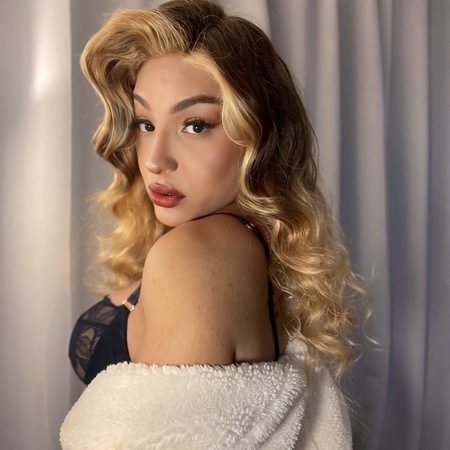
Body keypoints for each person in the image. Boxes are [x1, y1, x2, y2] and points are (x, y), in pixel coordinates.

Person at [60, 1, 365, 448]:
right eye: (146, 122)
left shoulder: (196, 254)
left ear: (257, 134)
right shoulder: (245, 243)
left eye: (196, 125)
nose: (155, 159)